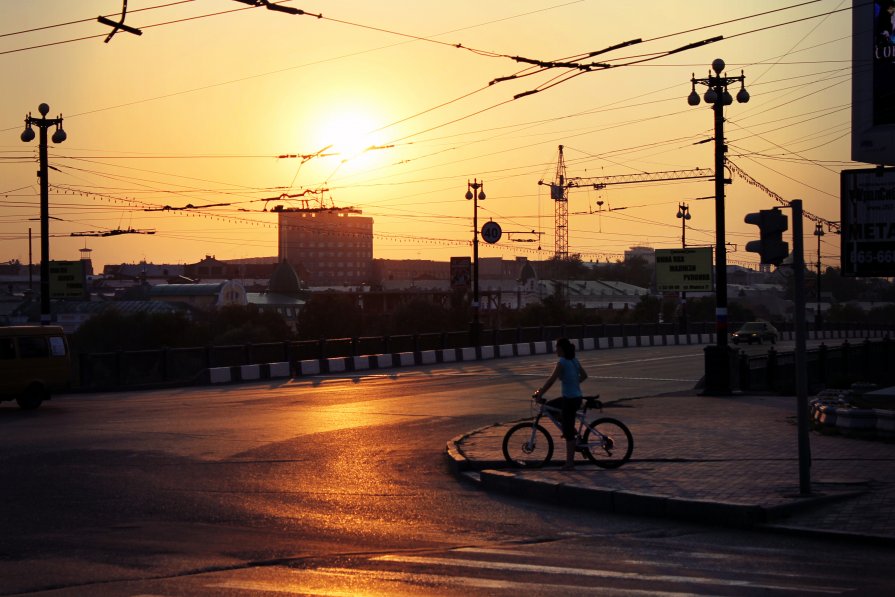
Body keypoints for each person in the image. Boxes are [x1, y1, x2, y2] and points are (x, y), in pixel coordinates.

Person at [532, 338, 588, 470]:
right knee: (551, 408)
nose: (555, 350)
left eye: (556, 347)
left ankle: (570, 463)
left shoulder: (562, 362)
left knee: (568, 431)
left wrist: (540, 394)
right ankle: (570, 430)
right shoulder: (574, 360)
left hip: (570, 399)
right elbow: (584, 375)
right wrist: (574, 383)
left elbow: (551, 380)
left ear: (561, 349)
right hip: (575, 397)